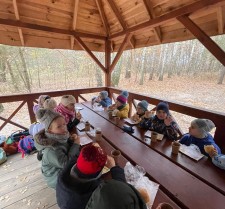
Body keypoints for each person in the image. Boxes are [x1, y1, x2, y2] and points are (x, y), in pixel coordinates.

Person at [56, 143, 147, 209]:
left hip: (63, 202)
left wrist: (92, 150)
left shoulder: (66, 171)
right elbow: (119, 192)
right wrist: (114, 167)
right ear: (98, 174)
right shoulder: (92, 192)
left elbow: (79, 157)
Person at [34, 109, 80, 189]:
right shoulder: (52, 149)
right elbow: (66, 164)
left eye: (64, 124)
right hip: (56, 178)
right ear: (50, 131)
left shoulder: (58, 136)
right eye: (59, 126)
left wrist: (71, 140)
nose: (64, 128)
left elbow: (64, 145)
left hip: (61, 167)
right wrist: (76, 144)